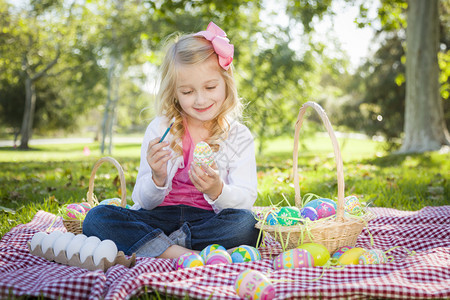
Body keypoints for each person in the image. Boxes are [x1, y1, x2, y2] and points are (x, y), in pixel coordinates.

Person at [83, 22, 259, 259]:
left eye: (210, 87)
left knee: (248, 225)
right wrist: (157, 178)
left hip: (206, 221)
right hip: (157, 218)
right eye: (187, 92)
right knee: (97, 218)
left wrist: (217, 190)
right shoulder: (160, 128)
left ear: (226, 83)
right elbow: (142, 201)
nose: (200, 99)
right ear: (174, 92)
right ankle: (183, 253)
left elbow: (245, 200)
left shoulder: (238, 136)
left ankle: (158, 247)